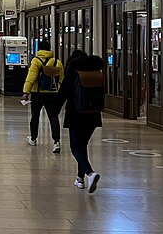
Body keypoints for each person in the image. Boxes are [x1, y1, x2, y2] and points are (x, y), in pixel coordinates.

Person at [55, 49, 105, 193]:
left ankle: (89, 173)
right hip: (93, 115)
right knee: (82, 146)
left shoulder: (73, 71)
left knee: (75, 148)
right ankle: (79, 179)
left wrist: (55, 110)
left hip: (76, 114)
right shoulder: (96, 71)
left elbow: (63, 93)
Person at [22, 39, 64, 152]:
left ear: (39, 49)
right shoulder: (56, 61)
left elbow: (31, 77)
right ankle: (56, 142)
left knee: (35, 116)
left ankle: (33, 138)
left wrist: (26, 92)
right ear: (49, 48)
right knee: (53, 117)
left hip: (38, 93)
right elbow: (61, 79)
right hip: (53, 94)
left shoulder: (36, 61)